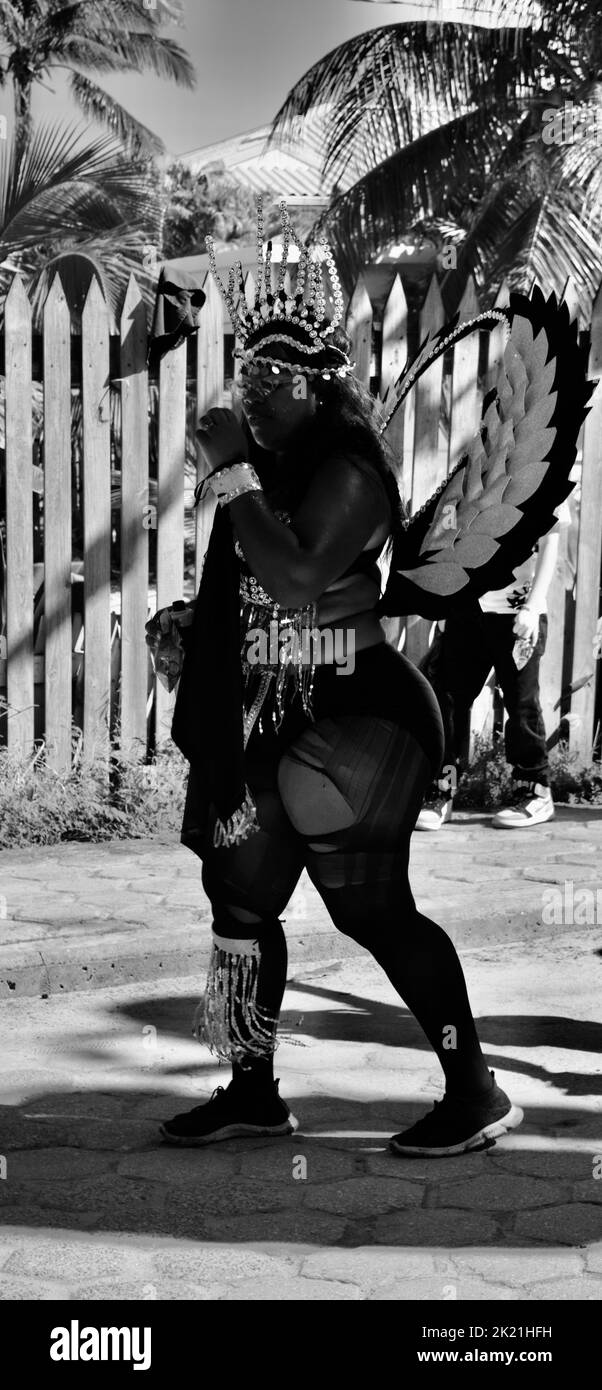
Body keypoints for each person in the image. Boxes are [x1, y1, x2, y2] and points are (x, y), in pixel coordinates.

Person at [155, 201, 523, 1158]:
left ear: (323, 387)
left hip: (362, 719)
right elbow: (264, 593)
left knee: (369, 907)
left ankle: (474, 1091)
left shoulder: (350, 467)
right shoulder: (272, 469)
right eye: (249, 375)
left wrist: (231, 474)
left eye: (277, 378)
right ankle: (251, 1089)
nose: (257, 393)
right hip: (275, 716)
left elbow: (302, 573)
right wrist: (204, 627)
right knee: (238, 898)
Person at [417, 502, 571, 831]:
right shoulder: (476, 474)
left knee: (521, 704)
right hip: (467, 610)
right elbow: (449, 541)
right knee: (447, 697)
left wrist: (532, 606)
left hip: (518, 615)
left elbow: (550, 544)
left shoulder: (546, 474)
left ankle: (534, 791)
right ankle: (442, 790)